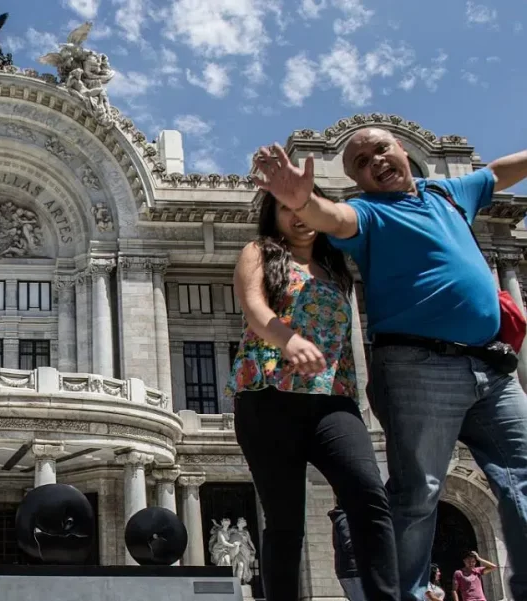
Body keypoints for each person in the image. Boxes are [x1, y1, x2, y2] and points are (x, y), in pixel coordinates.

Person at [252, 132, 527, 601]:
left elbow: (499, 172)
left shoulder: (448, 193)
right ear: (356, 179)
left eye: (381, 150)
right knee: (418, 494)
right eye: (360, 161)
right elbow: (333, 218)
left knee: (523, 482)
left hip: (494, 369)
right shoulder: (370, 213)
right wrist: (304, 200)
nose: (375, 161)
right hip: (419, 366)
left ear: (403, 151)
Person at [226, 190, 398, 601]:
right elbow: (254, 307)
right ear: (275, 213)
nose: (298, 216)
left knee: (369, 496)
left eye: (305, 206)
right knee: (285, 523)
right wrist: (288, 341)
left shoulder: (337, 266)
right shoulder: (259, 252)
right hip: (269, 396)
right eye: (287, 208)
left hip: (333, 400)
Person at [329, 504, 364, 601]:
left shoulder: (345, 518)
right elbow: (350, 545)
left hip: (352, 571)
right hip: (353, 571)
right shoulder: (346, 519)